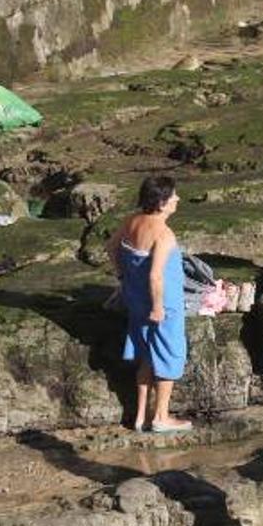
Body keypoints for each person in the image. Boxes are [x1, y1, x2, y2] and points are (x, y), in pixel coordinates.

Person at [109, 175, 190, 433]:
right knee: (169, 355)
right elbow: (156, 275)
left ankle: (141, 416)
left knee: (146, 354)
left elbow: (111, 247)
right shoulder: (164, 234)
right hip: (163, 305)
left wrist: (123, 275)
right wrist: (158, 307)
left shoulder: (131, 221)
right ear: (162, 202)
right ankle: (161, 417)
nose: (178, 199)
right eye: (173, 196)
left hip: (136, 299)